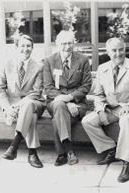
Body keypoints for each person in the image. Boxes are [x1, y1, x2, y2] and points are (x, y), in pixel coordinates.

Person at [82, 37, 129, 183]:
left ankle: (126, 163)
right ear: (107, 52)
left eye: (121, 49)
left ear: (125, 49)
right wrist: (100, 111)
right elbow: (98, 94)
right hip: (111, 109)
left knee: (126, 119)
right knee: (87, 121)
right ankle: (110, 149)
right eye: (114, 50)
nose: (118, 53)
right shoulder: (102, 68)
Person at [43, 30, 92, 166]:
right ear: (58, 44)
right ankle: (69, 148)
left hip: (78, 104)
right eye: (64, 43)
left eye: (70, 43)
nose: (67, 46)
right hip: (55, 103)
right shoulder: (49, 61)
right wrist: (66, 102)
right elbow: (48, 87)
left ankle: (61, 153)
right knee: (59, 106)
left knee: (56, 120)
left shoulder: (83, 60)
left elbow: (86, 85)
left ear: (74, 43)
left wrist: (69, 98)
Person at [0, 34, 45, 168]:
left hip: (35, 103)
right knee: (32, 117)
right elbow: (0, 89)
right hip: (13, 107)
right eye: (22, 45)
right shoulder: (7, 64)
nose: (26, 49)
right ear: (17, 47)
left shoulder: (39, 66)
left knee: (29, 105)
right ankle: (32, 153)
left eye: (29, 46)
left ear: (32, 48)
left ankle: (14, 145)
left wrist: (18, 106)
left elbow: (36, 92)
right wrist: (7, 108)